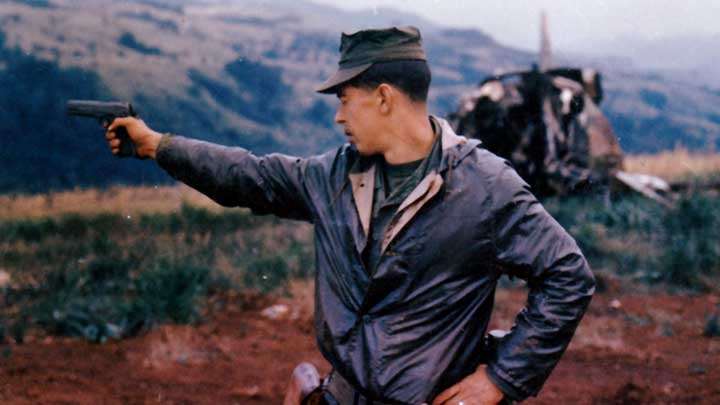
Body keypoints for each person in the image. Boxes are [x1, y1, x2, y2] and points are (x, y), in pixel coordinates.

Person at [105, 26, 595, 405]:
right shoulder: (335, 175)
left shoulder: (484, 187)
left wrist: (499, 378)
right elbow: (249, 176)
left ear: (383, 98)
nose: (339, 117)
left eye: (345, 100)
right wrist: (158, 146)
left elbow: (567, 275)